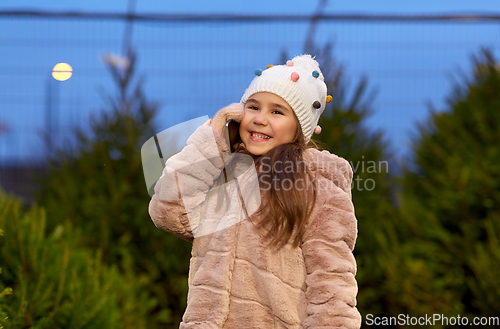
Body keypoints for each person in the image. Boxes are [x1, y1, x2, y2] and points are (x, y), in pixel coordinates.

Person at [148, 54, 361, 329]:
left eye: (277, 111)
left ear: (300, 128)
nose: (260, 119)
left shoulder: (318, 187)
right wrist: (216, 134)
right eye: (252, 107)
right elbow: (168, 213)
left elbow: (332, 283)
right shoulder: (221, 175)